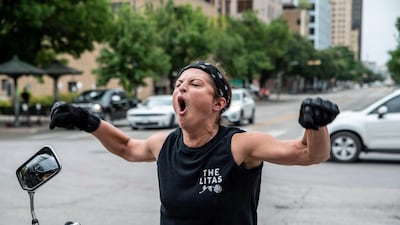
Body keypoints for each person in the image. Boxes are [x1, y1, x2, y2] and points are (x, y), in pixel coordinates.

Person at [49, 61, 339, 225]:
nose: (182, 87)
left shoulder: (239, 145)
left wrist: (316, 124)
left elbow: (308, 153)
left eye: (194, 84)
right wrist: (87, 121)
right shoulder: (164, 144)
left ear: (218, 103)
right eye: (179, 84)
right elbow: (126, 147)